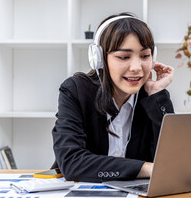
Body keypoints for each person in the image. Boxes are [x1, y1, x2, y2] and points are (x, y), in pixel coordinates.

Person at [51, 12, 174, 182]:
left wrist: (157, 95)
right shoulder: (76, 91)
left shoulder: (150, 97)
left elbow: (173, 162)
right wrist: (147, 168)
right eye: (124, 57)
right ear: (99, 59)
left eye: (145, 56)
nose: (136, 67)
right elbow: (72, 162)